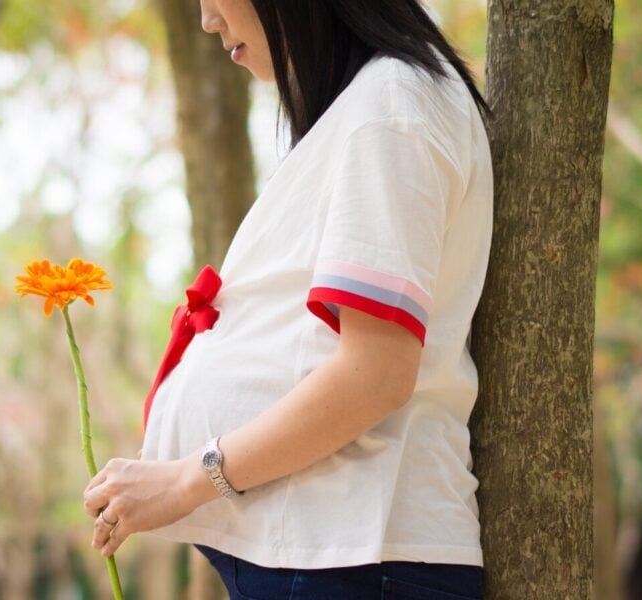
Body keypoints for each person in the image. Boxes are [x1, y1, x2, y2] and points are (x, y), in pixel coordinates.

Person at [82, 0, 493, 597]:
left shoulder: (391, 108)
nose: (207, 20)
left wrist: (184, 482)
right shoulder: (371, 106)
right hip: (331, 555)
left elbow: (375, 374)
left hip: (352, 557)